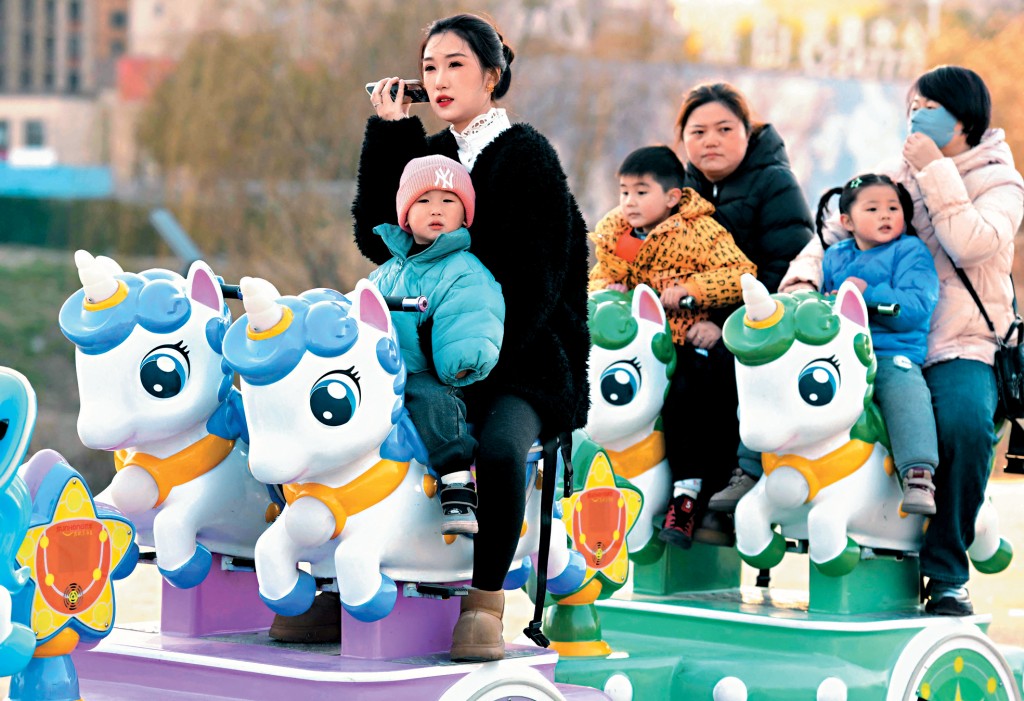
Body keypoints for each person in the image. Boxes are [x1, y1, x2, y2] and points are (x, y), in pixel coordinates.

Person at [352, 13, 590, 660]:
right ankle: (342, 582)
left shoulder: (527, 155)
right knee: (360, 427)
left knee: (500, 448)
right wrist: (391, 132)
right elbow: (380, 237)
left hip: (524, 356)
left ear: (491, 75)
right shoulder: (432, 154)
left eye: (455, 64)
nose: (439, 79)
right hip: (430, 349)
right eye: (429, 67)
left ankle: (485, 600)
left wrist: (471, 359)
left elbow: (536, 283)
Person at [781, 65, 1024, 615]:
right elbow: (834, 236)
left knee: (965, 424)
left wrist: (935, 170)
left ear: (964, 118)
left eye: (930, 107)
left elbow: (972, 244)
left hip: (960, 343)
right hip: (883, 339)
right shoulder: (895, 174)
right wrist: (799, 286)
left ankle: (947, 574)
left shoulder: (1001, 182)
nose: (916, 115)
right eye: (912, 106)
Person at [589, 145, 756, 547]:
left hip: (681, 337)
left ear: (672, 197)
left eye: (641, 192)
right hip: (633, 345)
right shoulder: (616, 231)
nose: (629, 202)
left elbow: (741, 274)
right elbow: (599, 275)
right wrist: (607, 288)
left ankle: (686, 493)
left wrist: (692, 290)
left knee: (684, 395)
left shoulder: (701, 231)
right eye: (624, 192)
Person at [674, 82, 815, 514]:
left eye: (724, 129)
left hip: (755, 326)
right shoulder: (679, 191)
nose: (710, 141)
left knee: (718, 375)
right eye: (698, 132)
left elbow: (785, 266)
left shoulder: (775, 183)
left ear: (747, 133)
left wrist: (725, 326)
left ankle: (717, 502)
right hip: (687, 324)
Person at [369, 154, 504, 534]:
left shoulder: (464, 271)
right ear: (405, 215)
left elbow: (473, 316)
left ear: (465, 216)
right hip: (382, 369)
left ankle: (456, 480)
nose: (436, 209)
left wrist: (459, 359)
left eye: (448, 201)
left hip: (428, 372)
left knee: (433, 399)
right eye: (424, 200)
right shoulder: (385, 273)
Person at [817, 173, 940, 514]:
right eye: (872, 209)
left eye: (893, 208)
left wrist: (867, 293)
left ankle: (918, 474)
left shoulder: (910, 251)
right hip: (842, 350)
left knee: (904, 390)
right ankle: (752, 468)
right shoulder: (835, 255)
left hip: (891, 350)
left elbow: (918, 307)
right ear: (847, 222)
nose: (885, 215)